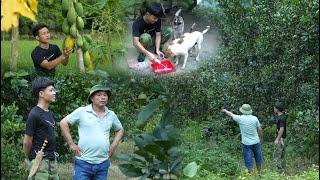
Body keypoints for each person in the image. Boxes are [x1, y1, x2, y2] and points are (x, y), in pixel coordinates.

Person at [60, 84, 124, 179]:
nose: (102, 97)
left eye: (105, 95)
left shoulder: (111, 115)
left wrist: (114, 144)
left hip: (103, 163)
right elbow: (63, 123)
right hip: (83, 162)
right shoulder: (82, 111)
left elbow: (120, 129)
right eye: (98, 95)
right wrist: (71, 144)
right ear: (92, 98)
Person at [23, 77, 59, 179]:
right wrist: (29, 159)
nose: (54, 93)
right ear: (41, 94)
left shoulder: (50, 113)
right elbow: (27, 141)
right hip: (40, 161)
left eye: (54, 90)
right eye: (51, 90)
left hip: (52, 159)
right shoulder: (34, 114)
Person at [222, 104, 264, 173]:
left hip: (246, 143)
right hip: (256, 142)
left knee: (248, 160)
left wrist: (225, 110)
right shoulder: (255, 118)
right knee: (258, 159)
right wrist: (261, 138)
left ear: (242, 111)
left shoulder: (240, 118)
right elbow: (260, 129)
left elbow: (231, 114)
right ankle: (259, 174)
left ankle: (250, 176)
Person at [271, 102, 286, 173]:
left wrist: (277, 139)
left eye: (274, 108)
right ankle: (282, 169)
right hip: (282, 137)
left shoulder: (281, 118)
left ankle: (279, 171)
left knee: (278, 154)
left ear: (277, 109)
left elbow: (281, 129)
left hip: (281, 138)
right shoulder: (282, 116)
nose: (273, 109)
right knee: (282, 154)